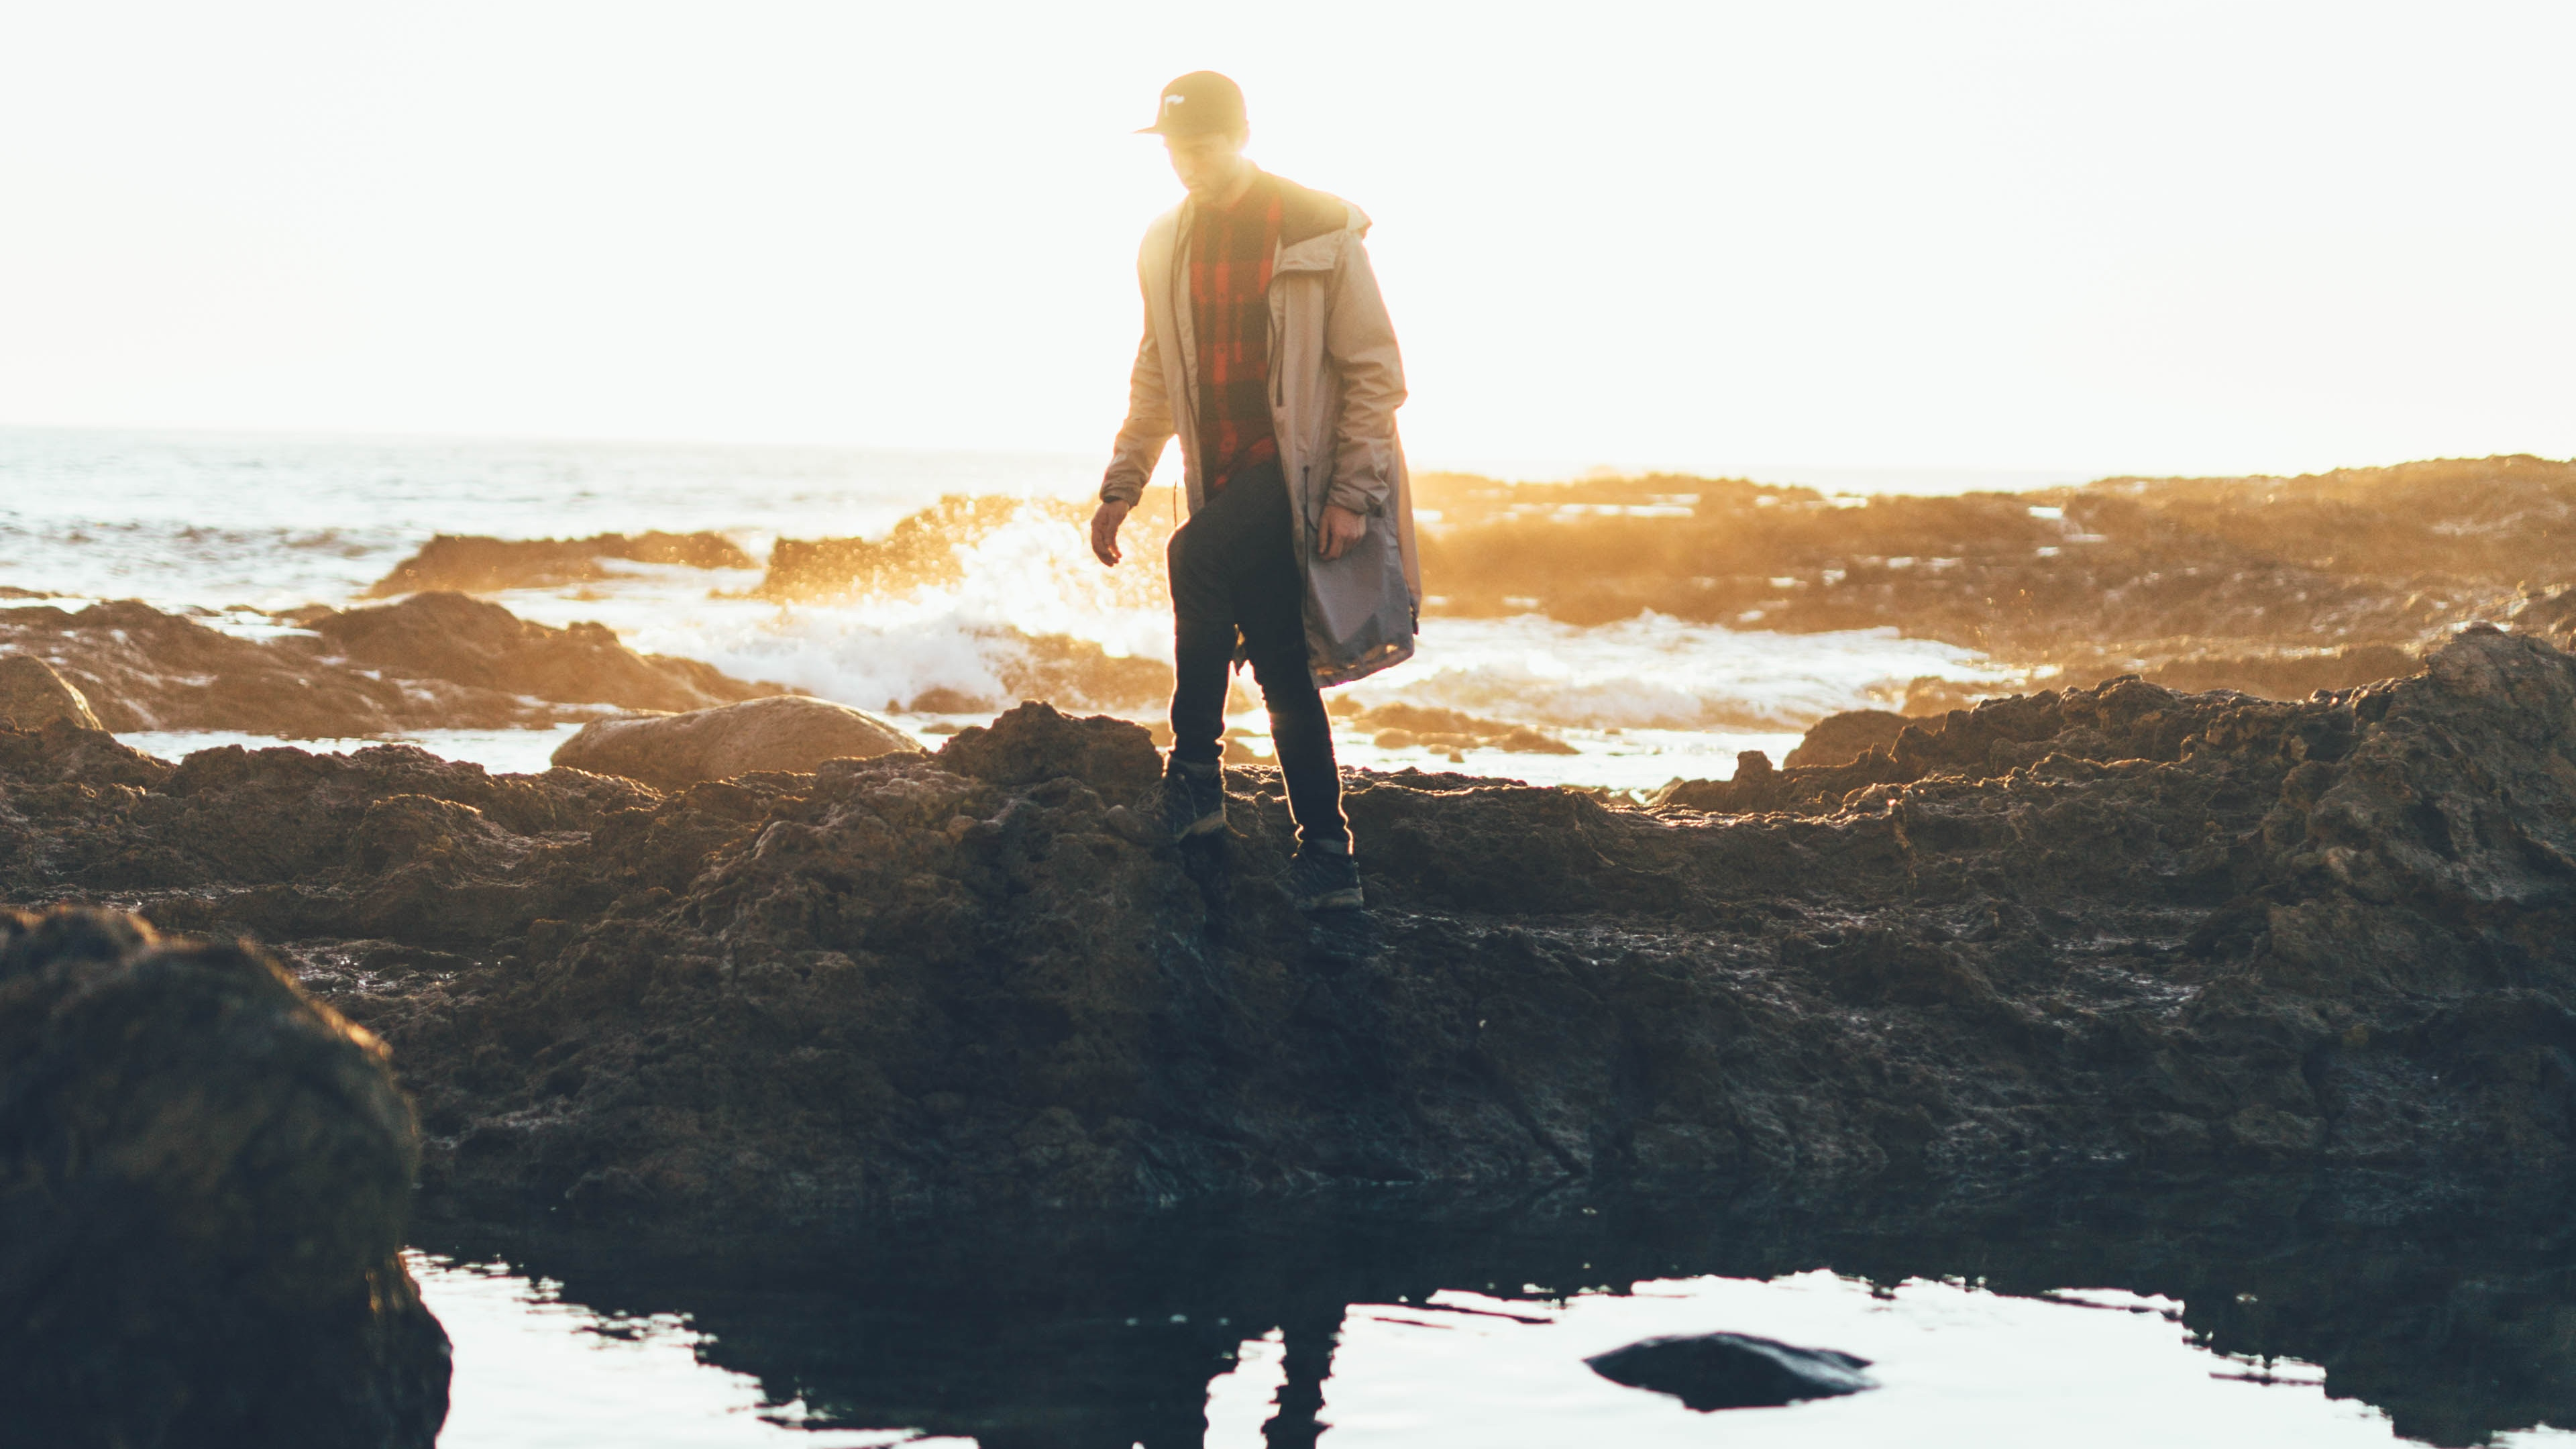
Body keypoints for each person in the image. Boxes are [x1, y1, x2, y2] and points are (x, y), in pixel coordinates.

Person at [1089, 70, 1420, 914]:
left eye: (1199, 146)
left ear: (1239, 136)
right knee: (1278, 660)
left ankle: (1195, 769)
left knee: (1191, 557)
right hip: (1224, 478)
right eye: (1173, 150)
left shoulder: (1318, 230)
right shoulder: (1166, 242)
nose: (1186, 164)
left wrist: (1352, 490)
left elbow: (1374, 372)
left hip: (1299, 474)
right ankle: (1330, 856)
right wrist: (1123, 482)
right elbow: (1158, 372)